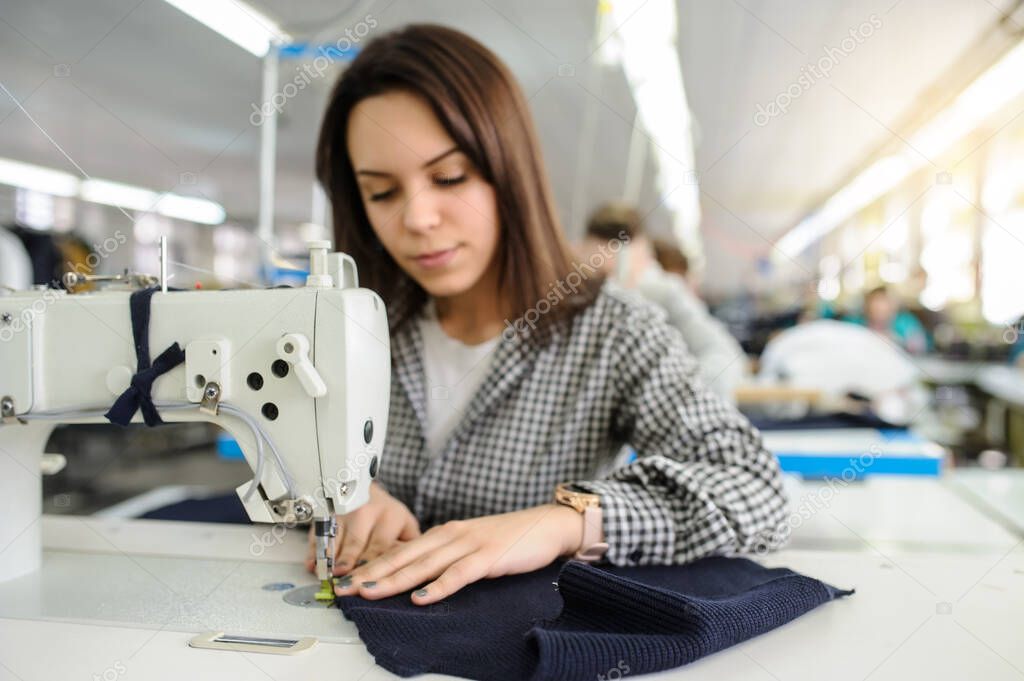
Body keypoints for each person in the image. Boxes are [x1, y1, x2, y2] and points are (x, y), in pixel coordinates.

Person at [308, 24, 787, 606]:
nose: (418, 218)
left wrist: (560, 523)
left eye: (449, 177)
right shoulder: (345, 328)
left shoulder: (614, 334)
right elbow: (287, 452)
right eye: (381, 192)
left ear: (509, 170)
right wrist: (342, 494)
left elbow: (756, 493)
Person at [580, 202, 748, 401]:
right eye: (600, 274)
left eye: (616, 273)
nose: (610, 288)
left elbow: (724, 355)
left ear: (643, 254)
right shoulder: (577, 300)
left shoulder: (665, 294)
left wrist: (669, 396)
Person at [848, 286, 930, 354]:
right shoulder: (856, 322)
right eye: (875, 307)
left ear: (893, 307)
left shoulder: (906, 322)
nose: (880, 309)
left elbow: (920, 348)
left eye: (884, 305)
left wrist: (896, 341)